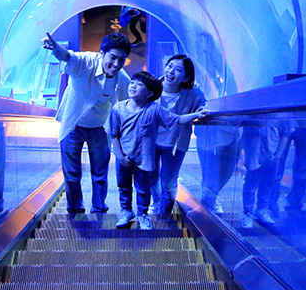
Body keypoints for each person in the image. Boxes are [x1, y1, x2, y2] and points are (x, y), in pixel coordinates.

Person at [42, 31, 132, 215]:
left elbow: (131, 102)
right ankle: (75, 209)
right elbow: (67, 56)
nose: (116, 64)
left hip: (100, 127)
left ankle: (99, 208)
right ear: (102, 53)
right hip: (73, 124)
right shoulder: (86, 62)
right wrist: (55, 48)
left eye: (121, 59)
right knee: (71, 173)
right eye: (113, 57)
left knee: (100, 173)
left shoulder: (121, 77)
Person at [110, 71, 210, 229]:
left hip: (144, 159)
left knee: (143, 189)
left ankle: (142, 214)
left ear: (150, 93)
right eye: (132, 82)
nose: (133, 86)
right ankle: (126, 211)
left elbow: (176, 119)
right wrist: (120, 156)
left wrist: (196, 115)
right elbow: (114, 135)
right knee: (123, 185)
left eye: (139, 84)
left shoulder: (154, 109)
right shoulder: (118, 109)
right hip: (123, 157)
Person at [151, 54, 206, 214]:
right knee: (151, 179)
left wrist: (201, 110)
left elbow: (202, 107)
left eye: (178, 70)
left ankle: (165, 213)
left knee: (168, 182)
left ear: (186, 77)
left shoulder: (193, 93)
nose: (171, 71)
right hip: (151, 141)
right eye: (169, 66)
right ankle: (155, 204)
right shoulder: (152, 87)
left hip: (176, 143)